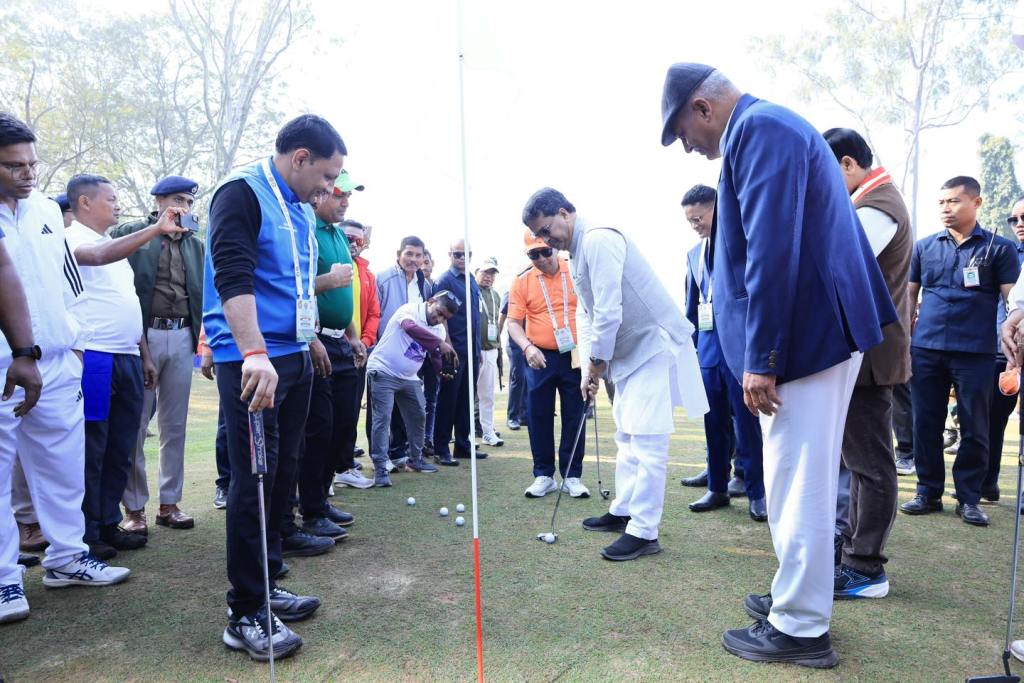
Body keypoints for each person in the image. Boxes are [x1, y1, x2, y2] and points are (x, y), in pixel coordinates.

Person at [661, 63, 896, 667]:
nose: (687, 145)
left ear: (704, 108)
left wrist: (761, 357)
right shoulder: (765, 128)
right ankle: (799, 598)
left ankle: (800, 626)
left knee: (799, 481)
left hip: (803, 339)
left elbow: (770, 250)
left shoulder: (760, 130)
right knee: (799, 477)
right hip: (811, 335)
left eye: (682, 130)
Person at [203, 114, 346, 661]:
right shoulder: (241, 193)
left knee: (281, 475)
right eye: (327, 176)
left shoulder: (298, 209)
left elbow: (290, 283)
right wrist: (254, 352)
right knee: (253, 481)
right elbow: (232, 277)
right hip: (254, 365)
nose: (329, 189)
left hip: (293, 357)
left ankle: (266, 585)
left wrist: (306, 338)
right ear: (301, 157)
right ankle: (244, 613)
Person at [523, 187, 707, 562]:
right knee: (626, 437)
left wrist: (596, 364)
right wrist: (587, 365)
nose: (545, 240)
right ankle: (624, 509)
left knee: (648, 440)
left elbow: (609, 310)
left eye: (546, 230)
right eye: (539, 236)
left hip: (653, 346)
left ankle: (644, 530)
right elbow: (585, 314)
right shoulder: (575, 253)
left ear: (563, 212)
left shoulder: (600, 239)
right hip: (625, 355)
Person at [0, 113, 129, 625]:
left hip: (57, 359)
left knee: (61, 465)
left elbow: (69, 282)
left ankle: (66, 558)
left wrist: (73, 342)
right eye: (13, 166)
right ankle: (5, 580)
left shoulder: (46, 213)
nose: (27, 174)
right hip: (5, 365)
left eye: (32, 163)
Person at [66, 174, 187, 558]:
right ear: (85, 203)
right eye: (110, 199)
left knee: (121, 445)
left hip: (128, 357)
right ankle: (88, 531)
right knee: (95, 446)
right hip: (96, 357)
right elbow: (96, 258)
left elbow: (128, 304)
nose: (117, 206)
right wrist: (156, 228)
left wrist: (146, 356)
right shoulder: (72, 239)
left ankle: (107, 522)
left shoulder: (110, 244)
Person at [824, 128, 913, 598]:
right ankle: (855, 553)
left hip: (872, 355)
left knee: (871, 463)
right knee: (860, 461)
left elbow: (841, 268)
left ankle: (866, 567)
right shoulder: (874, 199)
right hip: (869, 351)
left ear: (846, 164)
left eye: (825, 168)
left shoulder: (876, 206)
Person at [899, 177, 1019, 527]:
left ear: (977, 203)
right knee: (926, 424)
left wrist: (1015, 338)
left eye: (954, 201)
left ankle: (969, 498)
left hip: (977, 352)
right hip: (927, 349)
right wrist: (905, 342)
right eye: (941, 203)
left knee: (975, 426)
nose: (946, 209)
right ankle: (927, 491)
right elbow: (909, 297)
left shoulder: (999, 249)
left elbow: (1012, 300)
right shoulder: (923, 247)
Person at [110, 175, 205, 535]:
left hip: (182, 336)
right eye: (178, 199)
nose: (184, 207)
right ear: (160, 201)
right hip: (142, 337)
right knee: (135, 425)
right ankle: (134, 508)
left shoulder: (195, 244)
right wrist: (140, 346)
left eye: (190, 202)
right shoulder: (133, 234)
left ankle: (170, 503)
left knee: (175, 425)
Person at [681, 185, 766, 522]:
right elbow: (691, 306)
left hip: (740, 352)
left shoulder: (742, 243)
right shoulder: (693, 254)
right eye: (689, 221)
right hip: (706, 353)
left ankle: (757, 493)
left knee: (748, 427)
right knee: (712, 423)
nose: (695, 225)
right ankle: (717, 487)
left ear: (716, 210)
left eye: (699, 218)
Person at [289, 174, 367, 544]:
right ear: (319, 195)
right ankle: (312, 509)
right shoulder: (306, 230)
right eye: (339, 194)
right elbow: (299, 286)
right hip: (315, 339)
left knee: (339, 426)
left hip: (340, 342)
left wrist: (352, 336)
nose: (345, 201)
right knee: (317, 428)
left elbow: (342, 297)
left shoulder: (336, 235)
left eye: (348, 196)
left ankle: (320, 500)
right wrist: (312, 338)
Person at [506, 232, 588, 498]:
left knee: (575, 415)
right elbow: (513, 323)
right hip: (538, 355)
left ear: (554, 248)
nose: (540, 258)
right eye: (533, 254)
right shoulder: (521, 281)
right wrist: (527, 347)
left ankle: (572, 476)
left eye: (544, 252)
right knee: (538, 415)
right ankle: (543, 475)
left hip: (574, 355)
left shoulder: (576, 269)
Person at [366, 293, 459, 485]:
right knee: (382, 420)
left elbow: (434, 356)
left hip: (409, 378)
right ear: (431, 302)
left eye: (444, 318)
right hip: (383, 370)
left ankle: (415, 460)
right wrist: (440, 343)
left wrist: (443, 370)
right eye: (439, 313)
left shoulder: (439, 330)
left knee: (419, 415)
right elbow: (409, 328)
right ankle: (381, 469)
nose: (439, 320)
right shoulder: (409, 310)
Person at [372, 236, 433, 469]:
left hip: (409, 360)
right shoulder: (384, 278)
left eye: (418, 255)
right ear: (398, 254)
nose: (413, 259)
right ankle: (381, 458)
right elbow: (375, 313)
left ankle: (398, 453)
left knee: (407, 409)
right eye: (409, 254)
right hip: (383, 356)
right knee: (380, 413)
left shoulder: (424, 284)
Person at [433, 239, 487, 465]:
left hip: (472, 350)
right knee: (448, 400)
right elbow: (440, 316)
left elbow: (475, 316)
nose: (462, 258)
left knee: (466, 400)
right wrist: (448, 345)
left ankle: (463, 446)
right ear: (449, 255)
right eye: (457, 254)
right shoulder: (444, 280)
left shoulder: (472, 280)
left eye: (467, 254)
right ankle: (441, 448)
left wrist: (479, 348)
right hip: (453, 350)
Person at [984, 195, 1024, 501]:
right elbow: (1014, 304)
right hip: (1006, 350)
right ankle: (987, 482)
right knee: (994, 417)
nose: (1019, 224)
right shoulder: (1008, 251)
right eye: (1014, 219)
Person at [475, 257, 504, 447]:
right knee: (469, 396)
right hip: (475, 351)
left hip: (491, 350)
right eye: (485, 272)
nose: (488, 277)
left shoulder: (496, 296)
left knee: (487, 395)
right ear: (477, 272)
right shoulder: (472, 292)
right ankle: (467, 433)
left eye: (492, 273)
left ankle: (488, 431)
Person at [500, 287, 529, 430]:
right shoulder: (511, 291)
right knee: (518, 377)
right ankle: (512, 416)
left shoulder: (535, 288)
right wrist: (496, 341)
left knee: (528, 378)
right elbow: (503, 316)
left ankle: (524, 415)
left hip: (532, 342)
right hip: (515, 344)